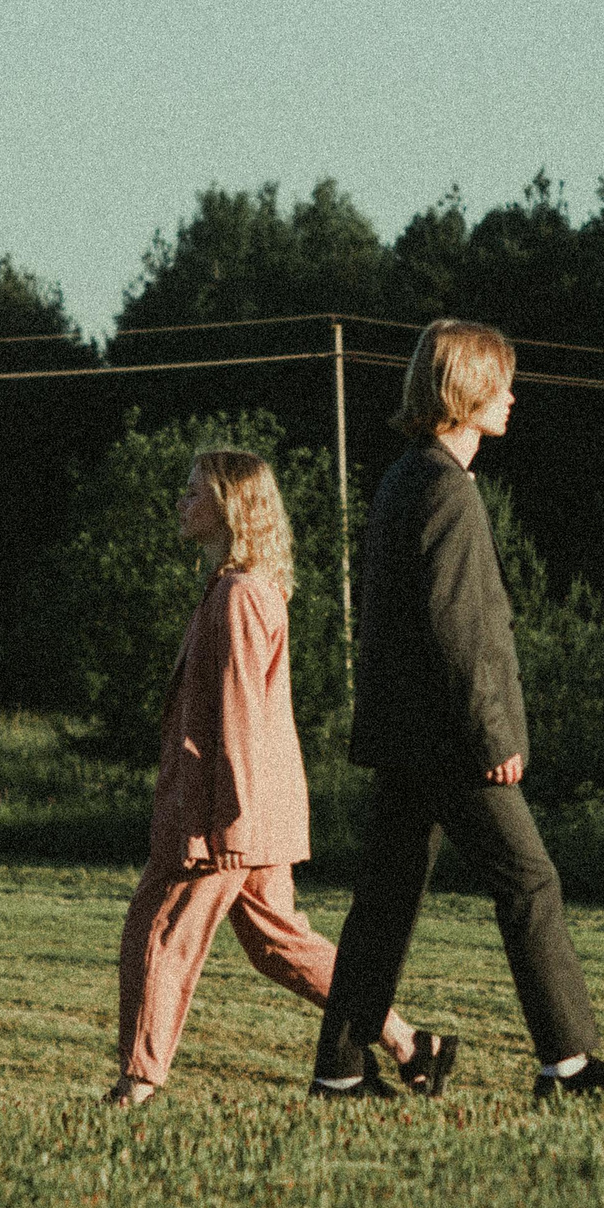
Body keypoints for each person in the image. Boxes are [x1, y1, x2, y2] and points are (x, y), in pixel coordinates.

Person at [310, 319, 604, 1100]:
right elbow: (460, 630)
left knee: (382, 908)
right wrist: (494, 733)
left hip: (404, 740)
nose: (512, 397)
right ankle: (568, 1064)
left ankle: (338, 1071)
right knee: (530, 882)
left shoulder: (404, 479)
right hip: (453, 744)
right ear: (465, 392)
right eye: (500, 384)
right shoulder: (450, 493)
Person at [106, 450, 439, 1107]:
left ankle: (135, 1086)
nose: (181, 502)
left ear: (230, 506)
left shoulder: (239, 595)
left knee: (159, 932)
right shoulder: (234, 588)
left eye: (193, 491)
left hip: (221, 815)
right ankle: (408, 1042)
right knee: (279, 945)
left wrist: (231, 819)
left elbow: (242, 717)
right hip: (243, 810)